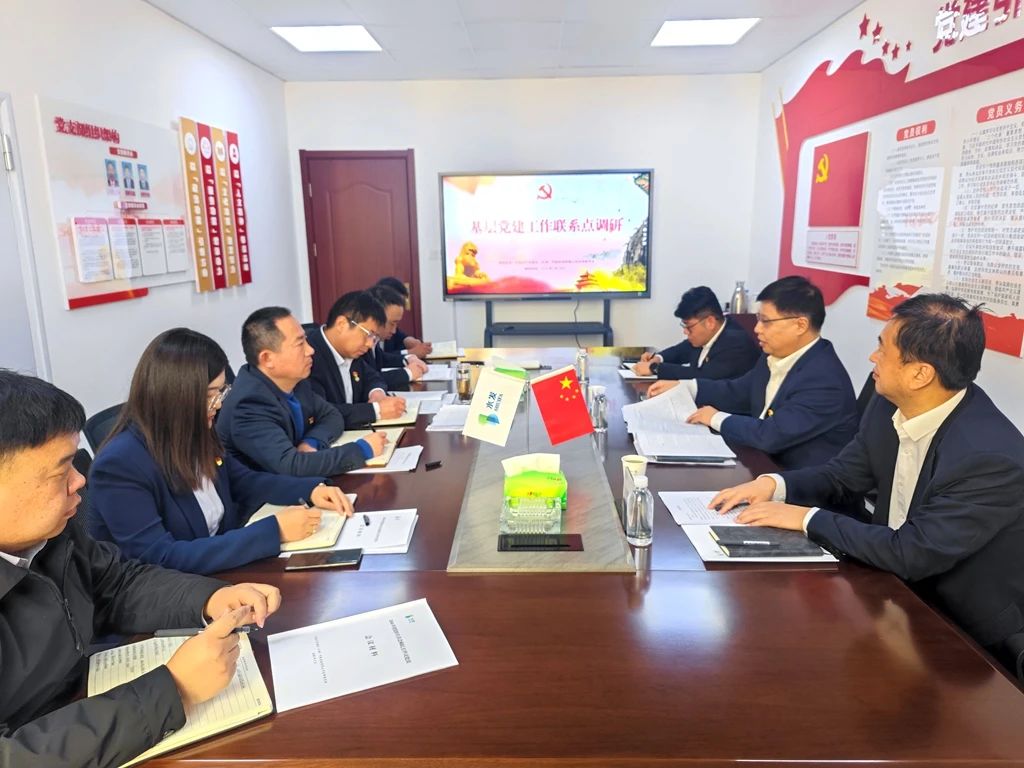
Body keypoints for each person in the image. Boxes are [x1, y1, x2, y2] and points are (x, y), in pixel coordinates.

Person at [711, 294, 1024, 666]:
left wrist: (806, 518)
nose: (872, 357)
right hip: (893, 591)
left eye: (883, 349)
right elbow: (842, 475)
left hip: (964, 637)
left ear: (920, 374)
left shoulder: (989, 457)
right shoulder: (888, 402)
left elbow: (913, 552)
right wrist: (774, 485)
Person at [0, 369, 282, 767]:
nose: (80, 481)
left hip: (85, 703)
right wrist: (175, 689)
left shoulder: (52, 534)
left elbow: (117, 584)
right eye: (61, 471)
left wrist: (210, 597)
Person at [89, 329, 354, 575]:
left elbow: (243, 481)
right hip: (178, 591)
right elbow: (160, 557)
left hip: (223, 571)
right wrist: (274, 531)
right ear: (176, 397)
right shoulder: (119, 464)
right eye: (209, 395)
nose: (217, 405)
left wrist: (310, 490)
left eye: (221, 392)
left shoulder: (194, 429)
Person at [647, 276, 857, 469]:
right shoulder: (773, 356)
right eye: (758, 319)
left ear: (800, 325)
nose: (757, 329)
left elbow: (772, 434)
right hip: (760, 463)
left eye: (766, 321)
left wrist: (716, 418)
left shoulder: (824, 380)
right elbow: (738, 390)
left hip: (797, 482)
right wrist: (686, 387)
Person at [216, 307, 387, 477]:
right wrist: (362, 449)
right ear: (267, 358)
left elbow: (331, 415)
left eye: (306, 340)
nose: (310, 350)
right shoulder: (248, 404)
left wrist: (311, 442)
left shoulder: (295, 381)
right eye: (300, 344)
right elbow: (290, 465)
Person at [305, 291, 407, 424]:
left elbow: (372, 377)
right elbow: (320, 413)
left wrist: (377, 394)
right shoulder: (308, 356)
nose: (370, 344)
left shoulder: (351, 351)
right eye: (368, 334)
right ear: (341, 324)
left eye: (374, 338)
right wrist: (376, 410)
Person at [633, 286, 759, 380]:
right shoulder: (706, 336)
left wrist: (655, 368)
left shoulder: (737, 343)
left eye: (689, 326)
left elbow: (703, 376)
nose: (685, 331)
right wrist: (658, 358)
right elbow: (681, 350)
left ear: (710, 322)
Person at [366, 284, 429, 391]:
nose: (394, 331)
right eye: (392, 324)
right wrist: (407, 373)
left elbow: (382, 358)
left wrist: (407, 359)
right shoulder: (360, 342)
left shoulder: (374, 339)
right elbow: (367, 380)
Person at [375, 276, 433, 358]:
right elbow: (381, 359)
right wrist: (409, 353)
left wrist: (407, 340)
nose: (401, 306)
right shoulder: (368, 333)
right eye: (397, 302)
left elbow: (398, 336)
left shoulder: (391, 325)